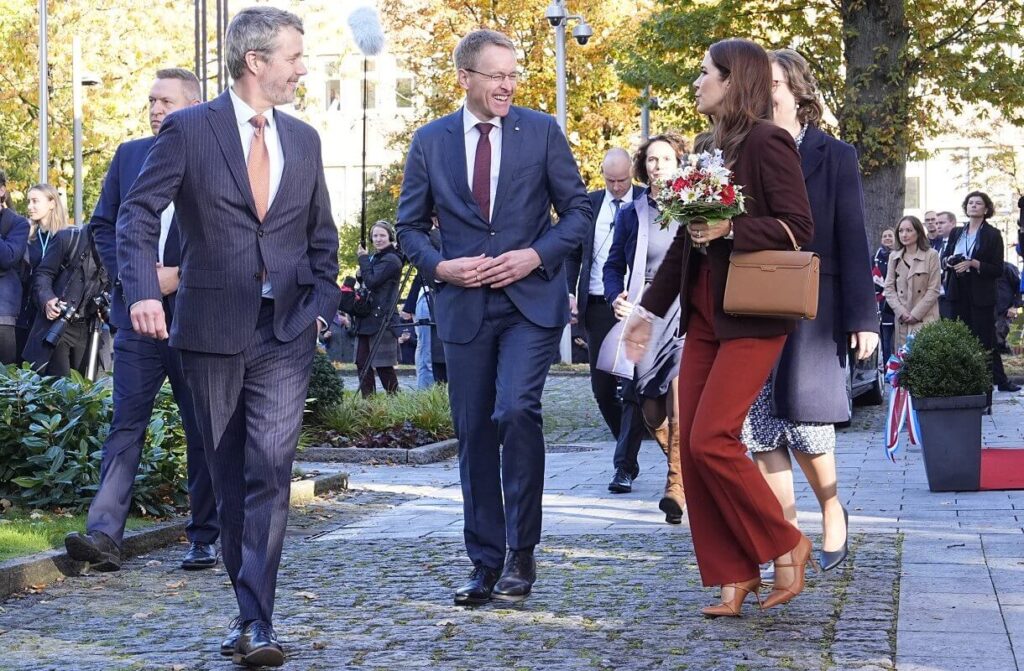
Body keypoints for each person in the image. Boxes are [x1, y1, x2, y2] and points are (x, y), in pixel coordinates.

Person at [117, 7, 340, 667]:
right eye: (295, 57)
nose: (303, 68)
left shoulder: (304, 138)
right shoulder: (191, 130)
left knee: (270, 469)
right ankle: (250, 614)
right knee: (228, 469)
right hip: (210, 331)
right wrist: (141, 292)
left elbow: (321, 231)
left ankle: (258, 621)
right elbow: (137, 212)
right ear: (256, 61)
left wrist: (320, 300)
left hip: (286, 330)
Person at [396, 29, 591, 606]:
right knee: (475, 431)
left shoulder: (542, 131)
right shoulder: (430, 142)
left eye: (513, 74)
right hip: (463, 307)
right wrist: (441, 268)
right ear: (465, 78)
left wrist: (537, 254)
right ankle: (484, 562)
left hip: (530, 302)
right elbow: (408, 228)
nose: (508, 85)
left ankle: (521, 554)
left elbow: (577, 211)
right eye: (496, 75)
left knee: (515, 408)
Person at [622, 38, 815, 617]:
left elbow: (798, 226)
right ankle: (733, 575)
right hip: (704, 316)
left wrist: (732, 228)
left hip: (753, 313)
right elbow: (686, 242)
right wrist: (646, 312)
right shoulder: (708, 146)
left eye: (705, 73)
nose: (697, 82)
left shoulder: (768, 141)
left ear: (734, 81)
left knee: (712, 438)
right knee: (692, 445)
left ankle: (788, 542)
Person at [63, 68, 219, 575]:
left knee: (202, 428)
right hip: (135, 316)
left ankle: (204, 537)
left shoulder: (219, 153)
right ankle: (104, 535)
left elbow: (233, 236)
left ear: (193, 107)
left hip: (197, 316)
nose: (154, 109)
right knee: (125, 424)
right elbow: (103, 225)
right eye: (151, 101)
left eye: (165, 101)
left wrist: (182, 276)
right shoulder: (131, 154)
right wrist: (136, 279)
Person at [741, 48, 878, 575]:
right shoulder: (743, 146)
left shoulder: (835, 154)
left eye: (773, 81)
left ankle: (830, 506)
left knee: (808, 422)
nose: (764, 90)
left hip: (816, 307)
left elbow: (852, 235)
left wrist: (862, 318)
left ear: (798, 89)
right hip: (755, 298)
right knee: (761, 423)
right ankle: (786, 533)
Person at [600, 135, 687, 527]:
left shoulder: (696, 206)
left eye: (666, 159)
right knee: (651, 408)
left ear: (679, 163)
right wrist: (616, 296)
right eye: (651, 159)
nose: (658, 166)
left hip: (688, 313)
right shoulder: (632, 213)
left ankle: (677, 488)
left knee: (680, 401)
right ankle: (685, 465)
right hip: (646, 314)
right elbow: (612, 265)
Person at [565, 148, 643, 439]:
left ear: (631, 173)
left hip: (637, 304)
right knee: (602, 386)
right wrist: (569, 292)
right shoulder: (591, 204)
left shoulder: (646, 201)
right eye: (611, 180)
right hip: (598, 303)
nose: (617, 187)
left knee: (635, 381)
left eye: (622, 180)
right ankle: (623, 435)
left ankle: (630, 445)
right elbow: (573, 254)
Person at [22, 186, 109, 376]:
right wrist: (48, 300)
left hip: (91, 329)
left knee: (87, 394)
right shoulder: (68, 238)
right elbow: (43, 274)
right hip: (58, 324)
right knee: (57, 392)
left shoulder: (119, 249)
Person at [941, 191, 1018, 395]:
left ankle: (984, 394)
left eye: (978, 203)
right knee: (963, 340)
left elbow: (997, 269)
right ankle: (971, 385)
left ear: (986, 209)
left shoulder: (992, 234)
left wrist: (974, 263)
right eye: (970, 203)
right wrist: (950, 262)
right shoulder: (957, 232)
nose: (973, 205)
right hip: (958, 292)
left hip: (981, 296)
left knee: (983, 342)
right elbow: (946, 256)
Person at [16, 184, 72, 362]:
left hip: (59, 312)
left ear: (52, 203)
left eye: (35, 201)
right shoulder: (28, 237)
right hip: (30, 311)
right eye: (28, 202)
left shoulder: (69, 236)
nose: (29, 207)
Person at [354, 220, 403, 396]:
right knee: (362, 363)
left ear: (390, 236)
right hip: (368, 318)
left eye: (382, 235)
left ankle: (396, 403)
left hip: (382, 318)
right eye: (375, 235)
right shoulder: (377, 257)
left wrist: (363, 259)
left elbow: (373, 281)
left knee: (383, 366)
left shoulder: (391, 259)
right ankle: (369, 405)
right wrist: (361, 274)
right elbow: (367, 281)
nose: (378, 239)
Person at [883, 216, 940, 350]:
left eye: (909, 230)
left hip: (925, 318)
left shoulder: (931, 255)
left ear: (918, 232)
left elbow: (934, 289)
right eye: (901, 231)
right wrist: (901, 311)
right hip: (902, 319)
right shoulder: (894, 257)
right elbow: (889, 288)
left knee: (925, 361)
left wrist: (915, 314)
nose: (904, 234)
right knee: (903, 362)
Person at [0, 170, 29, 364]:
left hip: (2, 314)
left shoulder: (17, 223)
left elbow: (8, 258)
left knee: (5, 381)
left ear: (2, 190)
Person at [872, 228, 896, 362]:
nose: (887, 238)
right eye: (885, 236)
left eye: (890, 236)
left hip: (897, 304)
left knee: (898, 339)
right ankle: (887, 368)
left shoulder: (901, 256)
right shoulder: (874, 258)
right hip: (880, 305)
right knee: (885, 339)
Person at [934, 211, 958, 319]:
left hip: (952, 295)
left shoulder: (959, 242)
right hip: (936, 295)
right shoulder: (935, 244)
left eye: (942, 223)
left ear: (953, 223)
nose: (938, 226)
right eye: (937, 223)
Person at [996, 260, 1021, 354]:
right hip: (988, 310)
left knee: (999, 339)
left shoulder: (1008, 268)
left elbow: (1020, 288)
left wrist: (1015, 306)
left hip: (1005, 311)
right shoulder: (983, 268)